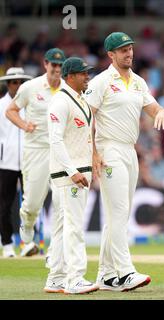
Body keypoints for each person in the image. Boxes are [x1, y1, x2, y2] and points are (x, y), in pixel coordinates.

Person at [85, 32, 164, 292]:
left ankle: (106, 275)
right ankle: (125, 272)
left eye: (130, 48)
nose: (129, 53)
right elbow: (87, 118)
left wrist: (161, 111)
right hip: (108, 148)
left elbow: (152, 107)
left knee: (117, 215)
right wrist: (94, 154)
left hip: (130, 151)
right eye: (123, 50)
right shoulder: (101, 82)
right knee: (119, 212)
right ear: (111, 55)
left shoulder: (138, 82)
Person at [5, 48, 66, 257]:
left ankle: (56, 249)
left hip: (61, 151)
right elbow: (11, 110)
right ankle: (27, 224)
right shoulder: (30, 87)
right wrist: (24, 125)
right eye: (53, 65)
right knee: (32, 203)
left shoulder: (68, 89)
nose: (57, 69)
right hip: (36, 150)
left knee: (62, 201)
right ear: (45, 64)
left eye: (60, 65)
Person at [46, 57, 97, 294]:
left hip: (75, 171)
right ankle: (75, 278)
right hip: (69, 174)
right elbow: (55, 140)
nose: (87, 76)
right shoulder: (60, 101)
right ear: (70, 76)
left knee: (62, 226)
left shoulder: (80, 99)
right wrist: (73, 171)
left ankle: (56, 277)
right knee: (74, 227)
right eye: (82, 73)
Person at [0, 68, 33, 258]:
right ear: (7, 84)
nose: (17, 85)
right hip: (6, 162)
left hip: (29, 161)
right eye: (13, 82)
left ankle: (28, 243)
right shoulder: (1, 105)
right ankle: (7, 245)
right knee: (5, 204)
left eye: (20, 82)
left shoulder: (31, 105)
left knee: (30, 204)